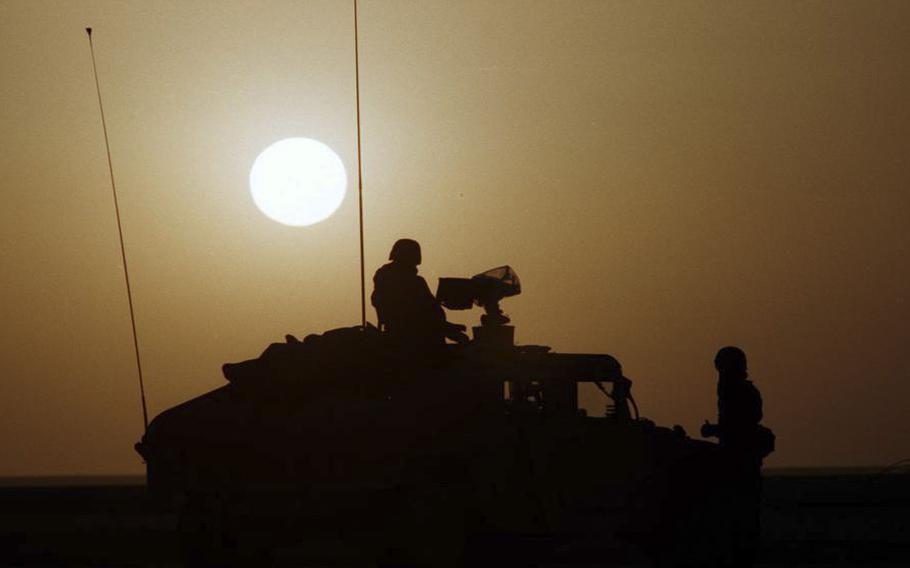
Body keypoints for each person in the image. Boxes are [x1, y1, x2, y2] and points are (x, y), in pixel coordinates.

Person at [701, 346, 774, 567]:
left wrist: (714, 431)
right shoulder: (736, 390)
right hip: (738, 462)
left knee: (739, 518)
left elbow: (739, 427)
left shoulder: (738, 391)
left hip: (739, 464)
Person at [371, 238, 468, 348]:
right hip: (419, 341)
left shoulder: (384, 281)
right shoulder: (414, 283)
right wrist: (449, 329)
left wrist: (447, 327)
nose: (415, 267)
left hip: (403, 337)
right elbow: (426, 316)